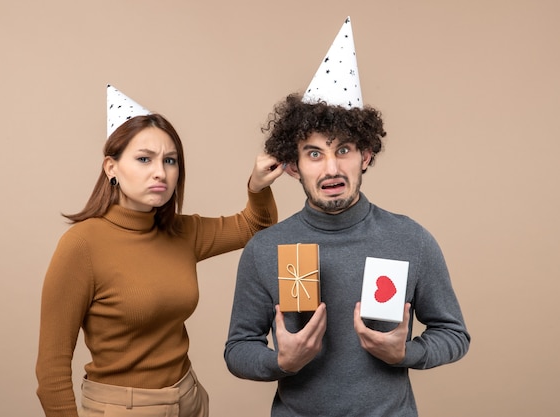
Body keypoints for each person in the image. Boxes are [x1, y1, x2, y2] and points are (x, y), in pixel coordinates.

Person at [36, 87, 284, 417]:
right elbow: (51, 370)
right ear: (111, 167)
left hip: (189, 399)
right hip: (123, 408)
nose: (160, 172)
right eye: (144, 159)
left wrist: (256, 185)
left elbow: (255, 226)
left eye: (170, 161)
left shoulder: (182, 232)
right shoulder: (82, 245)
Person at [224, 93, 470, 417]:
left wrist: (405, 353)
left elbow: (454, 334)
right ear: (293, 167)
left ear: (365, 156)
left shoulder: (411, 240)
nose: (332, 168)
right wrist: (281, 362)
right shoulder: (265, 248)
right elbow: (238, 349)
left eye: (343, 150)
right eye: (314, 154)